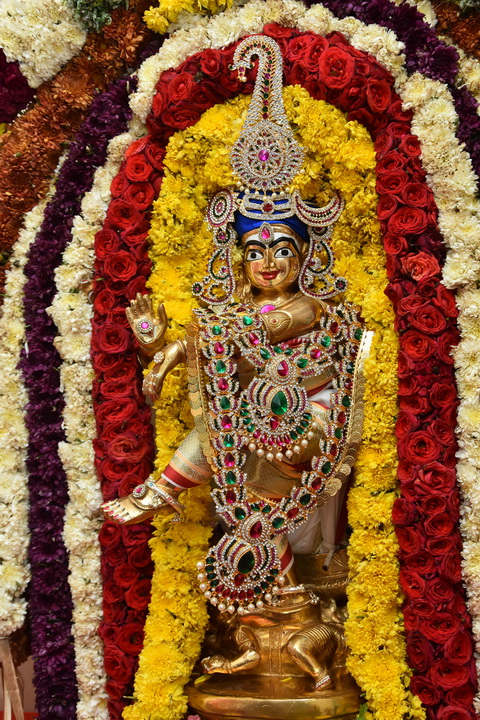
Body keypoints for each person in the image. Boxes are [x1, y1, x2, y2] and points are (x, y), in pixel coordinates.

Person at [102, 34, 370, 617]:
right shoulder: (230, 316)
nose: (269, 262)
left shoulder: (310, 308)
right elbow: (223, 348)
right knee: (249, 491)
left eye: (282, 250)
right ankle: (279, 597)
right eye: (255, 252)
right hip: (256, 423)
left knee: (246, 430)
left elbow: (244, 337)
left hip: (308, 420)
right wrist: (156, 344)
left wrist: (182, 347)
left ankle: (166, 490)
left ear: (304, 257)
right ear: (239, 260)